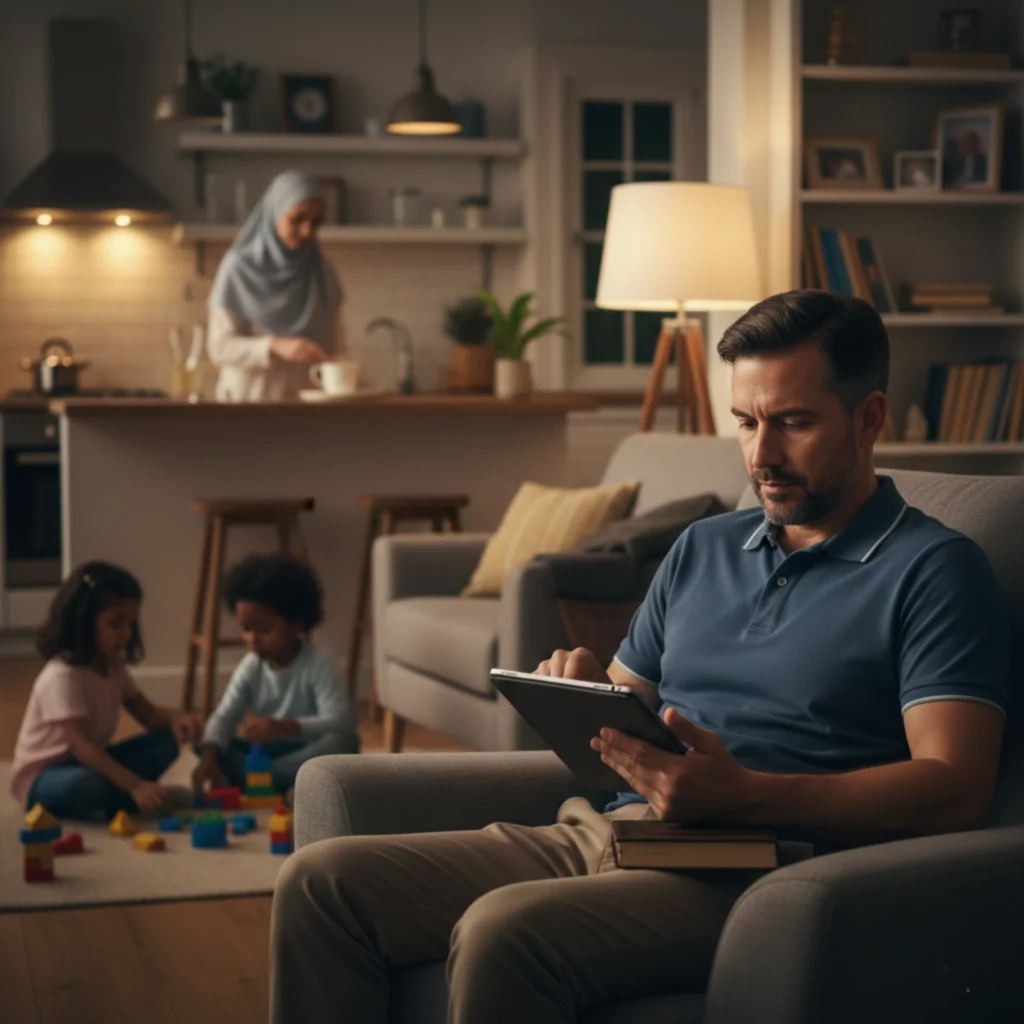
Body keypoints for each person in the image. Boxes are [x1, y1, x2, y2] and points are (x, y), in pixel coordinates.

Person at [269, 291, 1009, 1024]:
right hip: (608, 832)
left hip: (759, 875)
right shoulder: (704, 547)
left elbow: (955, 788)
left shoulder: (935, 571)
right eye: (746, 423)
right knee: (320, 884)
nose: (762, 455)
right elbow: (629, 709)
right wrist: (591, 694)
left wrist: (746, 795)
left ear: (870, 417)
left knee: (504, 934)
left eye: (793, 423)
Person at [10, 562, 201, 819]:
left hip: (94, 762)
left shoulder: (112, 666)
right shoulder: (62, 676)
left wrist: (177, 718)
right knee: (82, 784)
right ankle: (126, 798)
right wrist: (135, 784)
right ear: (83, 623)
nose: (126, 633)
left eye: (130, 624)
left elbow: (148, 714)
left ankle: (118, 798)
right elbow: (83, 747)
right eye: (116, 624)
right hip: (48, 776)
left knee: (165, 742)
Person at [192, 553, 359, 800]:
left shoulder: (319, 664)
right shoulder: (250, 667)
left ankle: (264, 779)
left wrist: (284, 727)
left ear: (296, 624)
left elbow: (340, 721)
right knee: (210, 743)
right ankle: (285, 782)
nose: (252, 639)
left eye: (264, 629)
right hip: (269, 750)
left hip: (307, 748)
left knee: (342, 742)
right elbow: (225, 715)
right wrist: (208, 756)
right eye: (246, 629)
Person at [207, 170, 344, 402]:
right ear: (275, 212)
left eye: (316, 222)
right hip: (248, 405)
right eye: (297, 219)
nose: (307, 231)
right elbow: (219, 348)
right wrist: (274, 346)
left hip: (308, 410)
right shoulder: (239, 266)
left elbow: (337, 346)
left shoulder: (321, 270)